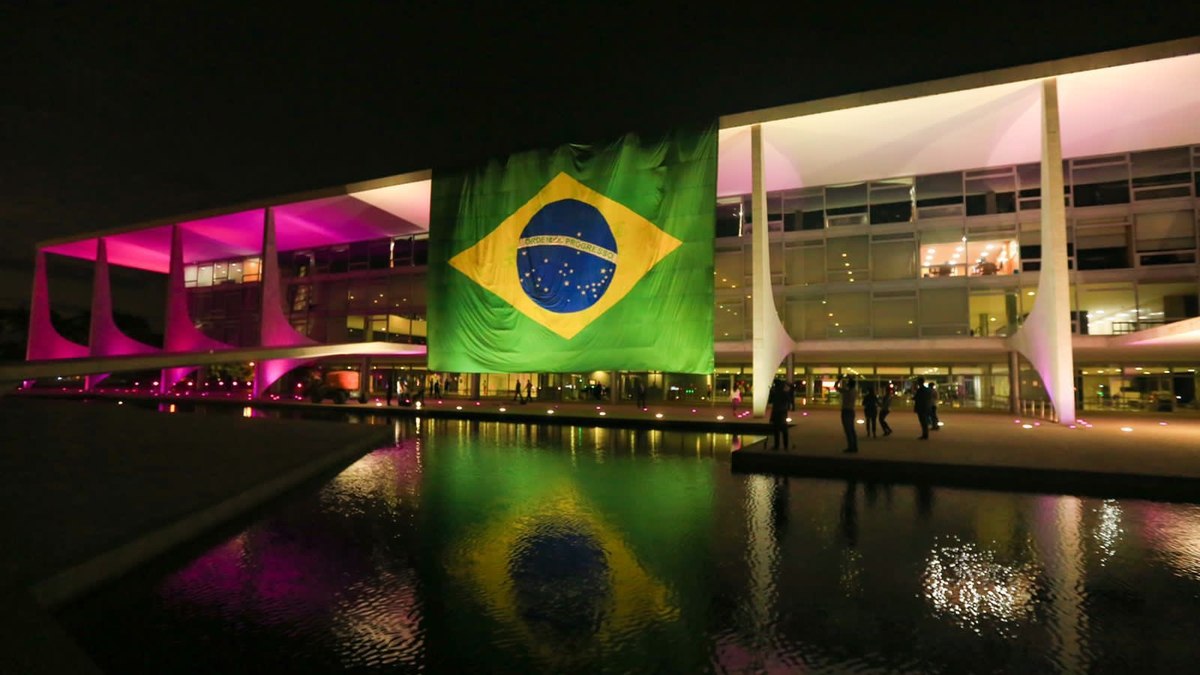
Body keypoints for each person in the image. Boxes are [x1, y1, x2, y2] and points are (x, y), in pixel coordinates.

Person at [836, 375, 858, 453]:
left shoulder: (846, 391)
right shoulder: (855, 391)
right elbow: (852, 384)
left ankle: (850, 447)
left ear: (849, 385)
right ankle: (854, 446)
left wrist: (839, 379)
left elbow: (836, 387)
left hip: (846, 411)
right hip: (851, 411)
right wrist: (850, 378)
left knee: (848, 430)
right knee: (852, 430)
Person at [768, 379, 790, 451]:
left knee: (777, 430)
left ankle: (777, 446)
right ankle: (785, 446)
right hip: (783, 412)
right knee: (784, 430)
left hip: (777, 413)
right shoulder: (784, 392)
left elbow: (771, 402)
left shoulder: (776, 393)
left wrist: (771, 392)